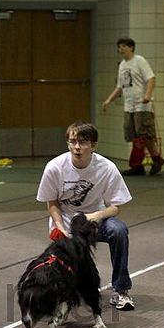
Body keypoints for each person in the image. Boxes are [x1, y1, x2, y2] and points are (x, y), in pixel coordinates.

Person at [37, 120, 134, 311]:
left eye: (83, 142)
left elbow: (115, 207)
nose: (77, 147)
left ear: (93, 145)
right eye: (73, 142)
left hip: (93, 223)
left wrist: (97, 215)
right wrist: (59, 226)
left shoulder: (106, 168)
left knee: (119, 230)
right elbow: (52, 202)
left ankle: (121, 290)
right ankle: (63, 293)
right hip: (65, 223)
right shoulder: (55, 167)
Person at [102, 36, 164, 176]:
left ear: (131, 47)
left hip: (142, 105)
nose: (121, 49)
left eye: (124, 46)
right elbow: (120, 86)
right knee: (133, 135)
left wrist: (147, 95)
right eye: (119, 47)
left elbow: (151, 78)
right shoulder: (122, 65)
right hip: (129, 105)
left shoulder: (139, 61)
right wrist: (108, 100)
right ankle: (138, 166)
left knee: (145, 135)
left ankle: (156, 159)